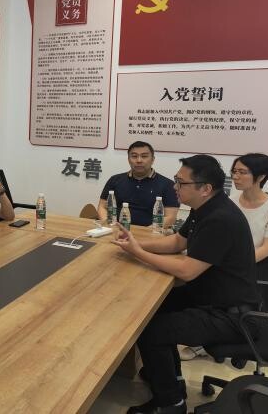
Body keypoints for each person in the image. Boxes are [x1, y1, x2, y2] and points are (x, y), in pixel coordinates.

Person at [111, 155, 259, 414]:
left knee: (151, 330)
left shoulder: (220, 219)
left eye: (181, 182)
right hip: (211, 295)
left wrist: (138, 253)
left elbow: (188, 271)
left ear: (205, 188)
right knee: (149, 311)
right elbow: (178, 242)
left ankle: (171, 403)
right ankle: (171, 380)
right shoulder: (204, 207)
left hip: (231, 314)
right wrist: (133, 243)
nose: (174, 187)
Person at [230, 153, 268, 312]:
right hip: (232, 260)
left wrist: (236, 264)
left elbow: (267, 248)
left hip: (260, 262)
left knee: (245, 310)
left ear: (261, 176)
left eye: (242, 172)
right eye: (234, 171)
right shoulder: (230, 201)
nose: (235, 176)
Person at [98, 141, 179, 227]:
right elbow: (102, 207)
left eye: (144, 156)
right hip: (117, 229)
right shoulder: (115, 180)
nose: (139, 160)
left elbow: (170, 217)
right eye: (134, 156)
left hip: (150, 232)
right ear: (128, 159)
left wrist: (145, 232)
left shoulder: (168, 185)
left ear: (153, 159)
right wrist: (109, 225)